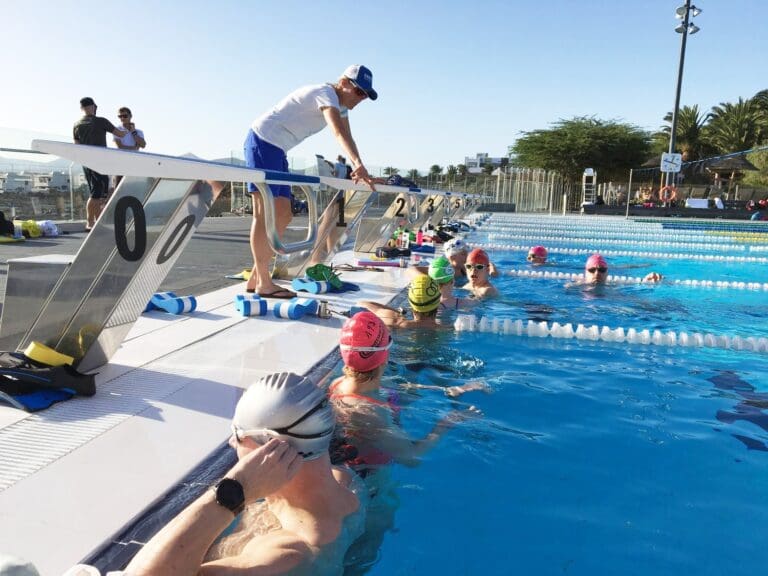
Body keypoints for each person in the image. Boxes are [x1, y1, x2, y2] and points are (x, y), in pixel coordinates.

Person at [127, 372, 365, 575]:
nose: (232, 442)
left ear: (271, 447)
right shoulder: (346, 482)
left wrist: (236, 488)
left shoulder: (282, 554)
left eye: (239, 434)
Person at [243, 65, 378, 299]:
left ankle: (257, 274)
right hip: (263, 141)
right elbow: (337, 132)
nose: (361, 99)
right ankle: (264, 283)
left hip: (278, 149)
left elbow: (348, 135)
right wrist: (357, 165)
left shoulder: (340, 106)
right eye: (359, 92)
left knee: (284, 213)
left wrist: (360, 166)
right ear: (344, 82)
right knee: (263, 213)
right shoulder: (324, 93)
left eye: (366, 96)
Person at [330, 311, 475, 474]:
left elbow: (400, 390)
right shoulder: (370, 414)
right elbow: (412, 458)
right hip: (371, 481)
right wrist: (446, 424)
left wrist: (445, 389)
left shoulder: (340, 383)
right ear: (384, 356)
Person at [73, 97, 127, 230]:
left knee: (98, 192)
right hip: (100, 162)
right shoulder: (100, 121)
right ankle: (90, 222)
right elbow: (120, 134)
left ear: (82, 108)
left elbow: (77, 145)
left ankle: (96, 222)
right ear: (93, 107)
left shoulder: (77, 124)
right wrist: (129, 129)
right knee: (97, 193)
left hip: (86, 162)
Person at [358, 275, 445, 330]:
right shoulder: (448, 330)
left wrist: (397, 313)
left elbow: (362, 304)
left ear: (411, 302)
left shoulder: (397, 322)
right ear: (438, 302)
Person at [112, 106, 146, 192]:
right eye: (120, 116)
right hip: (120, 163)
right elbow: (120, 147)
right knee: (118, 189)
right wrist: (134, 148)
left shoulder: (138, 132)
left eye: (125, 116)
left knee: (135, 189)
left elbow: (143, 145)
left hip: (134, 163)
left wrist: (133, 132)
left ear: (130, 116)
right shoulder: (117, 130)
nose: (122, 118)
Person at [578, 253, 662, 285]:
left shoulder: (615, 285)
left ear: (607, 273)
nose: (597, 273)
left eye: (602, 270)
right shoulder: (575, 288)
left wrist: (646, 281)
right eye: (592, 270)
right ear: (585, 272)